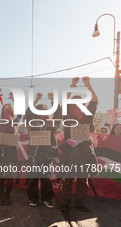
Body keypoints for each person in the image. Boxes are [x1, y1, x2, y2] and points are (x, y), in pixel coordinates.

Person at [59, 76, 98, 213]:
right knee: (68, 179)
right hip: (71, 151)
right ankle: (64, 202)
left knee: (83, 179)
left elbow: (94, 101)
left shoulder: (88, 115)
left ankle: (80, 203)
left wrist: (88, 86)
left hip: (85, 152)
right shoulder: (67, 116)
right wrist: (72, 85)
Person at [25, 92, 61, 209]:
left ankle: (47, 198)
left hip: (46, 156)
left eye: (46, 110)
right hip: (34, 155)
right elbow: (28, 113)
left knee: (46, 178)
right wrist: (36, 99)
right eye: (41, 110)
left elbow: (59, 114)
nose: (44, 111)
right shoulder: (32, 123)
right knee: (33, 178)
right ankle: (33, 198)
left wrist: (52, 99)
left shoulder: (51, 125)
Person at [0, 92, 19, 205]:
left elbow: (20, 112)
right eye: (5, 108)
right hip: (1, 149)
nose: (7, 110)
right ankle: (1, 195)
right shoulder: (0, 120)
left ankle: (8, 196)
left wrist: (12, 98)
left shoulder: (15, 120)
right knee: (1, 174)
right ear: (2, 112)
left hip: (11, 150)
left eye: (9, 108)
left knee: (9, 174)